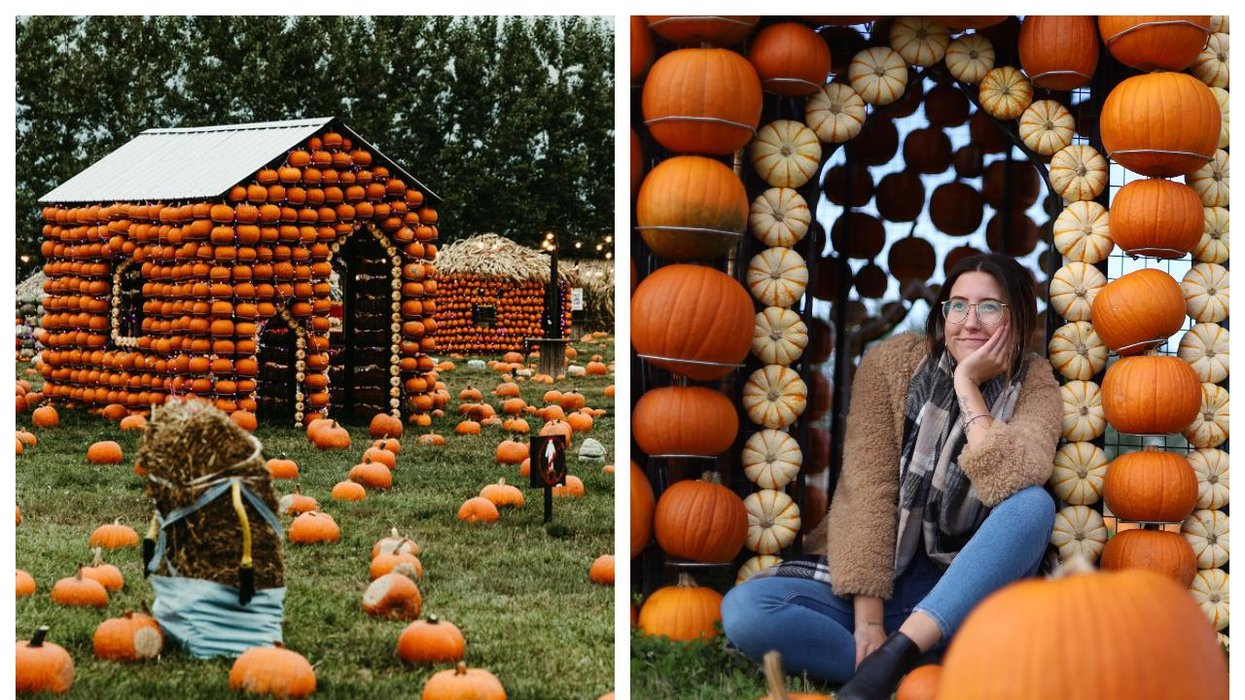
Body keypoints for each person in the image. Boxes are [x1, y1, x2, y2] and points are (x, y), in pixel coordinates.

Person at [721, 254, 1062, 700]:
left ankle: (898, 658)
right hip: (888, 582)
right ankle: (913, 669)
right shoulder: (892, 366)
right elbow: (866, 490)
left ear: (1018, 318)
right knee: (748, 610)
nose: (969, 321)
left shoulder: (1037, 385)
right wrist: (869, 623)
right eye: (957, 305)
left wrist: (967, 386)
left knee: (1033, 505)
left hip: (971, 593)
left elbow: (1010, 480)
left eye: (989, 307)